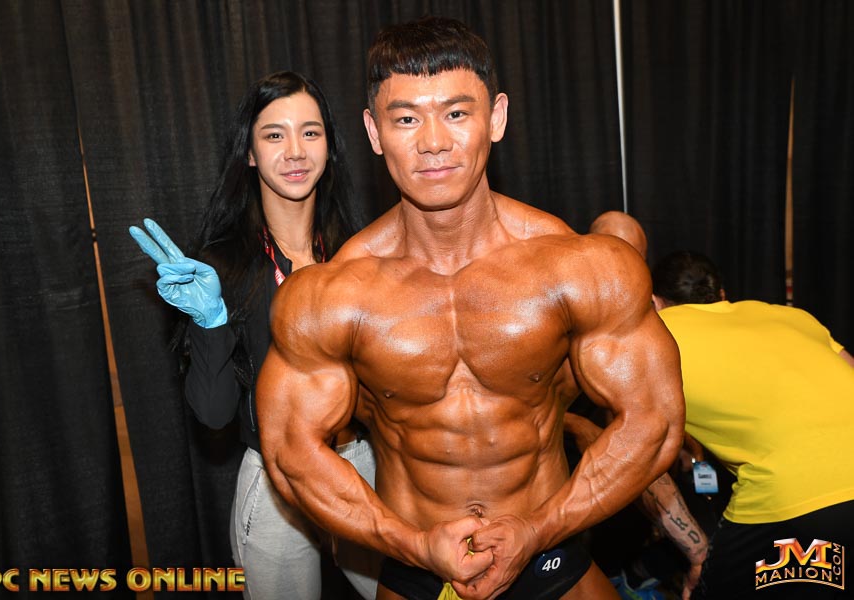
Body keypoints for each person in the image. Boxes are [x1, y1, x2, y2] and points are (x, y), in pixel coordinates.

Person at [256, 17, 686, 600]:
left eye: (457, 113)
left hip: (552, 553)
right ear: (374, 132)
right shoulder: (331, 297)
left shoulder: (579, 268)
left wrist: (538, 530)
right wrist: (412, 544)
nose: (433, 141)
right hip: (415, 564)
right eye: (406, 119)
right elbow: (291, 454)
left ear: (497, 117)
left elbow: (654, 423)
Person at [129, 71, 380, 600]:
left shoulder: (360, 250)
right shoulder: (222, 267)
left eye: (310, 132)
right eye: (274, 135)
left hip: (360, 463)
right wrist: (211, 324)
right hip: (273, 477)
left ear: (330, 146)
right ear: (249, 152)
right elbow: (214, 414)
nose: (295, 151)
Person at [650, 250, 854, 600]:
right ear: (721, 294)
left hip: (790, 495)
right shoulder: (790, 315)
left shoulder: (656, 338)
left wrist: (696, 555)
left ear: (655, 303)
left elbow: (640, 454)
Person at [568, 211, 707, 600]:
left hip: (628, 482)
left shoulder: (640, 322)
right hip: (564, 482)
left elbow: (648, 418)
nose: (619, 267)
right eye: (609, 252)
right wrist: (576, 425)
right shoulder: (558, 309)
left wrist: (685, 438)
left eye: (631, 256)